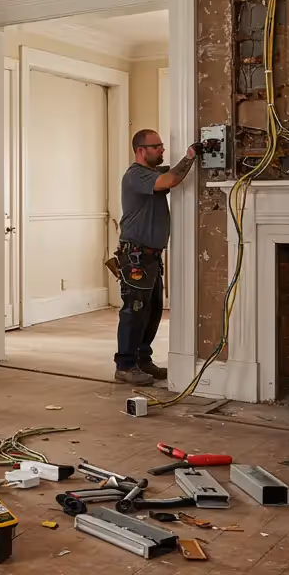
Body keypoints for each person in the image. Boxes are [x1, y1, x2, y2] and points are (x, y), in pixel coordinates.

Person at [113, 129, 196, 385]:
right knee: (134, 310)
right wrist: (190, 156)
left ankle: (142, 360)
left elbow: (171, 175)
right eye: (156, 146)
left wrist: (194, 160)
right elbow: (170, 180)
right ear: (141, 150)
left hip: (150, 257)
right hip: (135, 257)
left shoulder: (150, 174)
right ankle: (125, 365)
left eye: (161, 145)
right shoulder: (135, 175)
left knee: (152, 311)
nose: (162, 149)